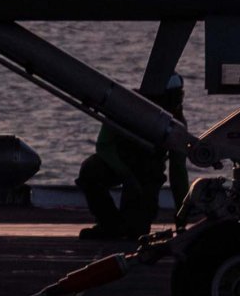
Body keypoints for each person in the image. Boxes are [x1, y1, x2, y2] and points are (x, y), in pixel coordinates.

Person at [76, 74, 190, 241]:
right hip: (118, 161)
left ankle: (128, 223)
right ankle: (109, 224)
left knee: (136, 233)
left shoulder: (176, 124)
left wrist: (182, 214)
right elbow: (104, 146)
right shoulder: (126, 106)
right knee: (90, 170)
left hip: (148, 171)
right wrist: (126, 175)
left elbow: (178, 171)